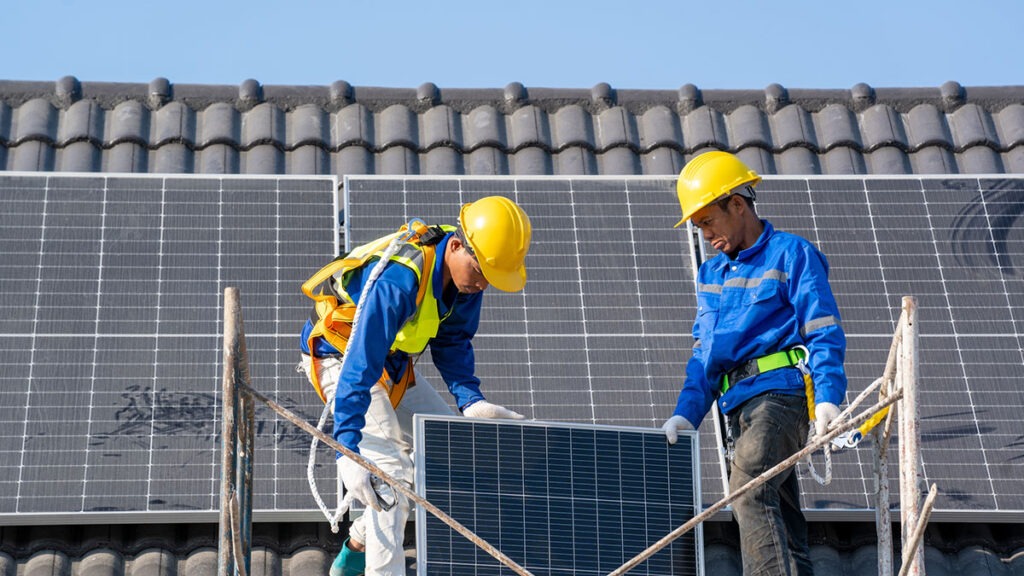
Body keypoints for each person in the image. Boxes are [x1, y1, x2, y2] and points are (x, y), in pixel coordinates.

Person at [298, 196, 532, 576]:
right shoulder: (398, 280)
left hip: (391, 364)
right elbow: (360, 363)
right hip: (342, 358)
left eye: (491, 276)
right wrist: (347, 451)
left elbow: (452, 340)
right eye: (480, 270)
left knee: (447, 447)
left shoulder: (466, 281)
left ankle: (357, 547)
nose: (482, 283)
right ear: (456, 245)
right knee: (389, 473)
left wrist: (470, 400)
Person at [661, 151, 847, 576]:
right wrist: (686, 414)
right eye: (697, 226)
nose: (705, 234)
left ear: (738, 205)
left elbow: (823, 329)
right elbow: (705, 355)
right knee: (778, 518)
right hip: (737, 409)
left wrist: (829, 398)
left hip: (779, 398)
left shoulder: (792, 254)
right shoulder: (710, 275)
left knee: (747, 494)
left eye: (708, 221)